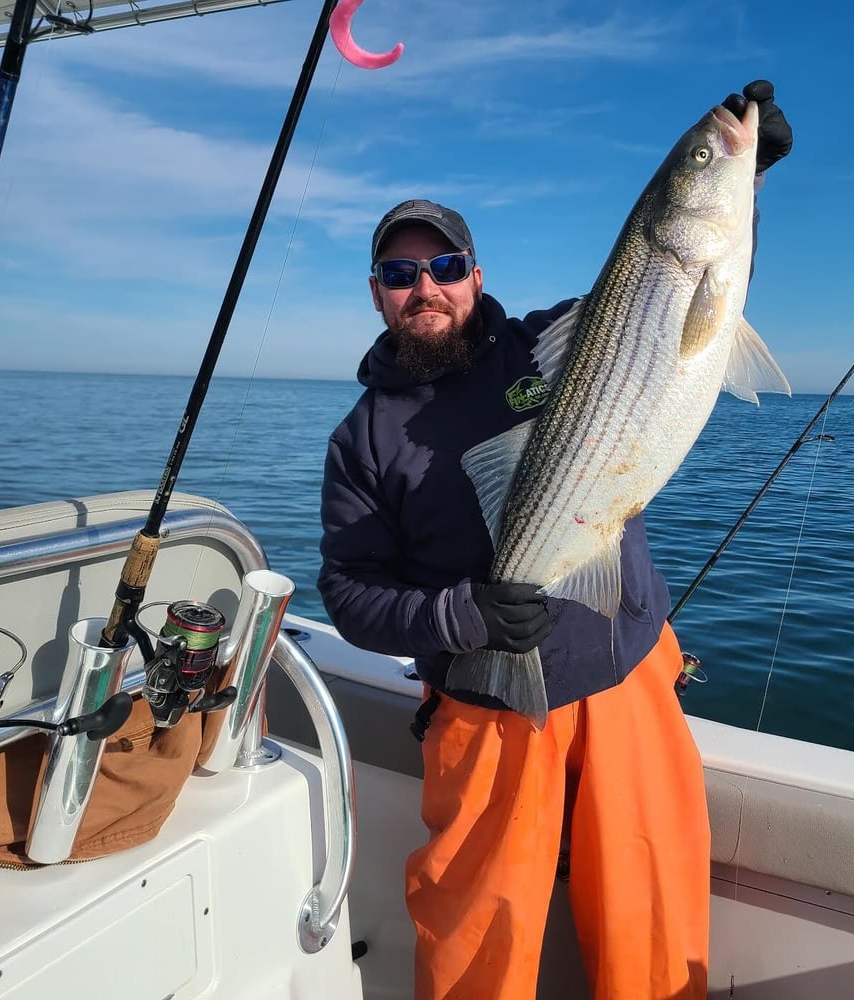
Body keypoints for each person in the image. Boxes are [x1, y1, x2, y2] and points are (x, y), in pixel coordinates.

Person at [318, 81, 793, 1000]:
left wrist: (745, 173)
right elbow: (349, 595)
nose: (426, 287)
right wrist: (462, 613)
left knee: (653, 923)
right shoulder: (362, 437)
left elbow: (683, 295)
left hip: (623, 669)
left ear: (476, 275)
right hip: (483, 702)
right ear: (377, 293)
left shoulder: (545, 346)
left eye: (444, 263)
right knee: (473, 938)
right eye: (401, 273)